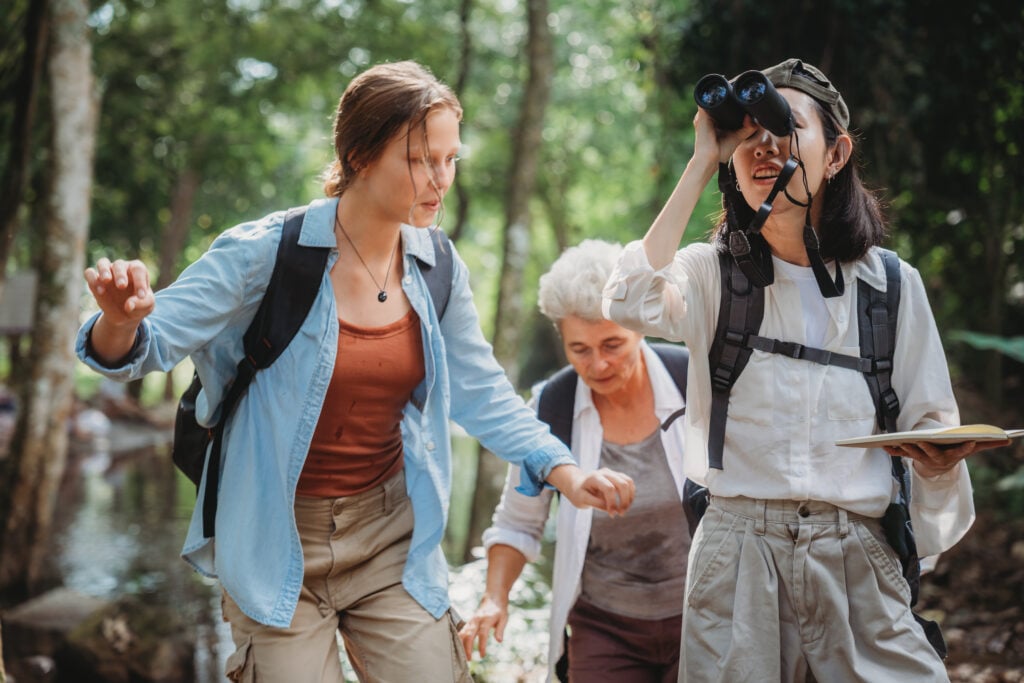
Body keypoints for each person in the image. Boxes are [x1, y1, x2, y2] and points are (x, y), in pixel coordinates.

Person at [76, 60, 635, 683]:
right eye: (422, 159)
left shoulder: (437, 267)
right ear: (360, 154)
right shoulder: (264, 254)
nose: (440, 179)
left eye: (451, 160)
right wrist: (119, 319)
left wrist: (565, 470)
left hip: (388, 540)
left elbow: (482, 393)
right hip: (272, 538)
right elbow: (144, 345)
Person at [602, 57, 1009, 682]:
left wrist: (934, 462)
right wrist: (702, 159)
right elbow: (627, 299)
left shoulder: (891, 286)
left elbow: (931, 420)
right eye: (747, 137)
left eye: (784, 129)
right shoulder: (712, 275)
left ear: (837, 153)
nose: (762, 148)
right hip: (737, 558)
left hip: (856, 555)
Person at [459, 239, 691, 683]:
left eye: (612, 344)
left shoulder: (693, 382)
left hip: (702, 616)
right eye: (579, 349)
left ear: (640, 327)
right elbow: (518, 522)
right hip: (605, 626)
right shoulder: (552, 407)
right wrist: (494, 598)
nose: (598, 364)